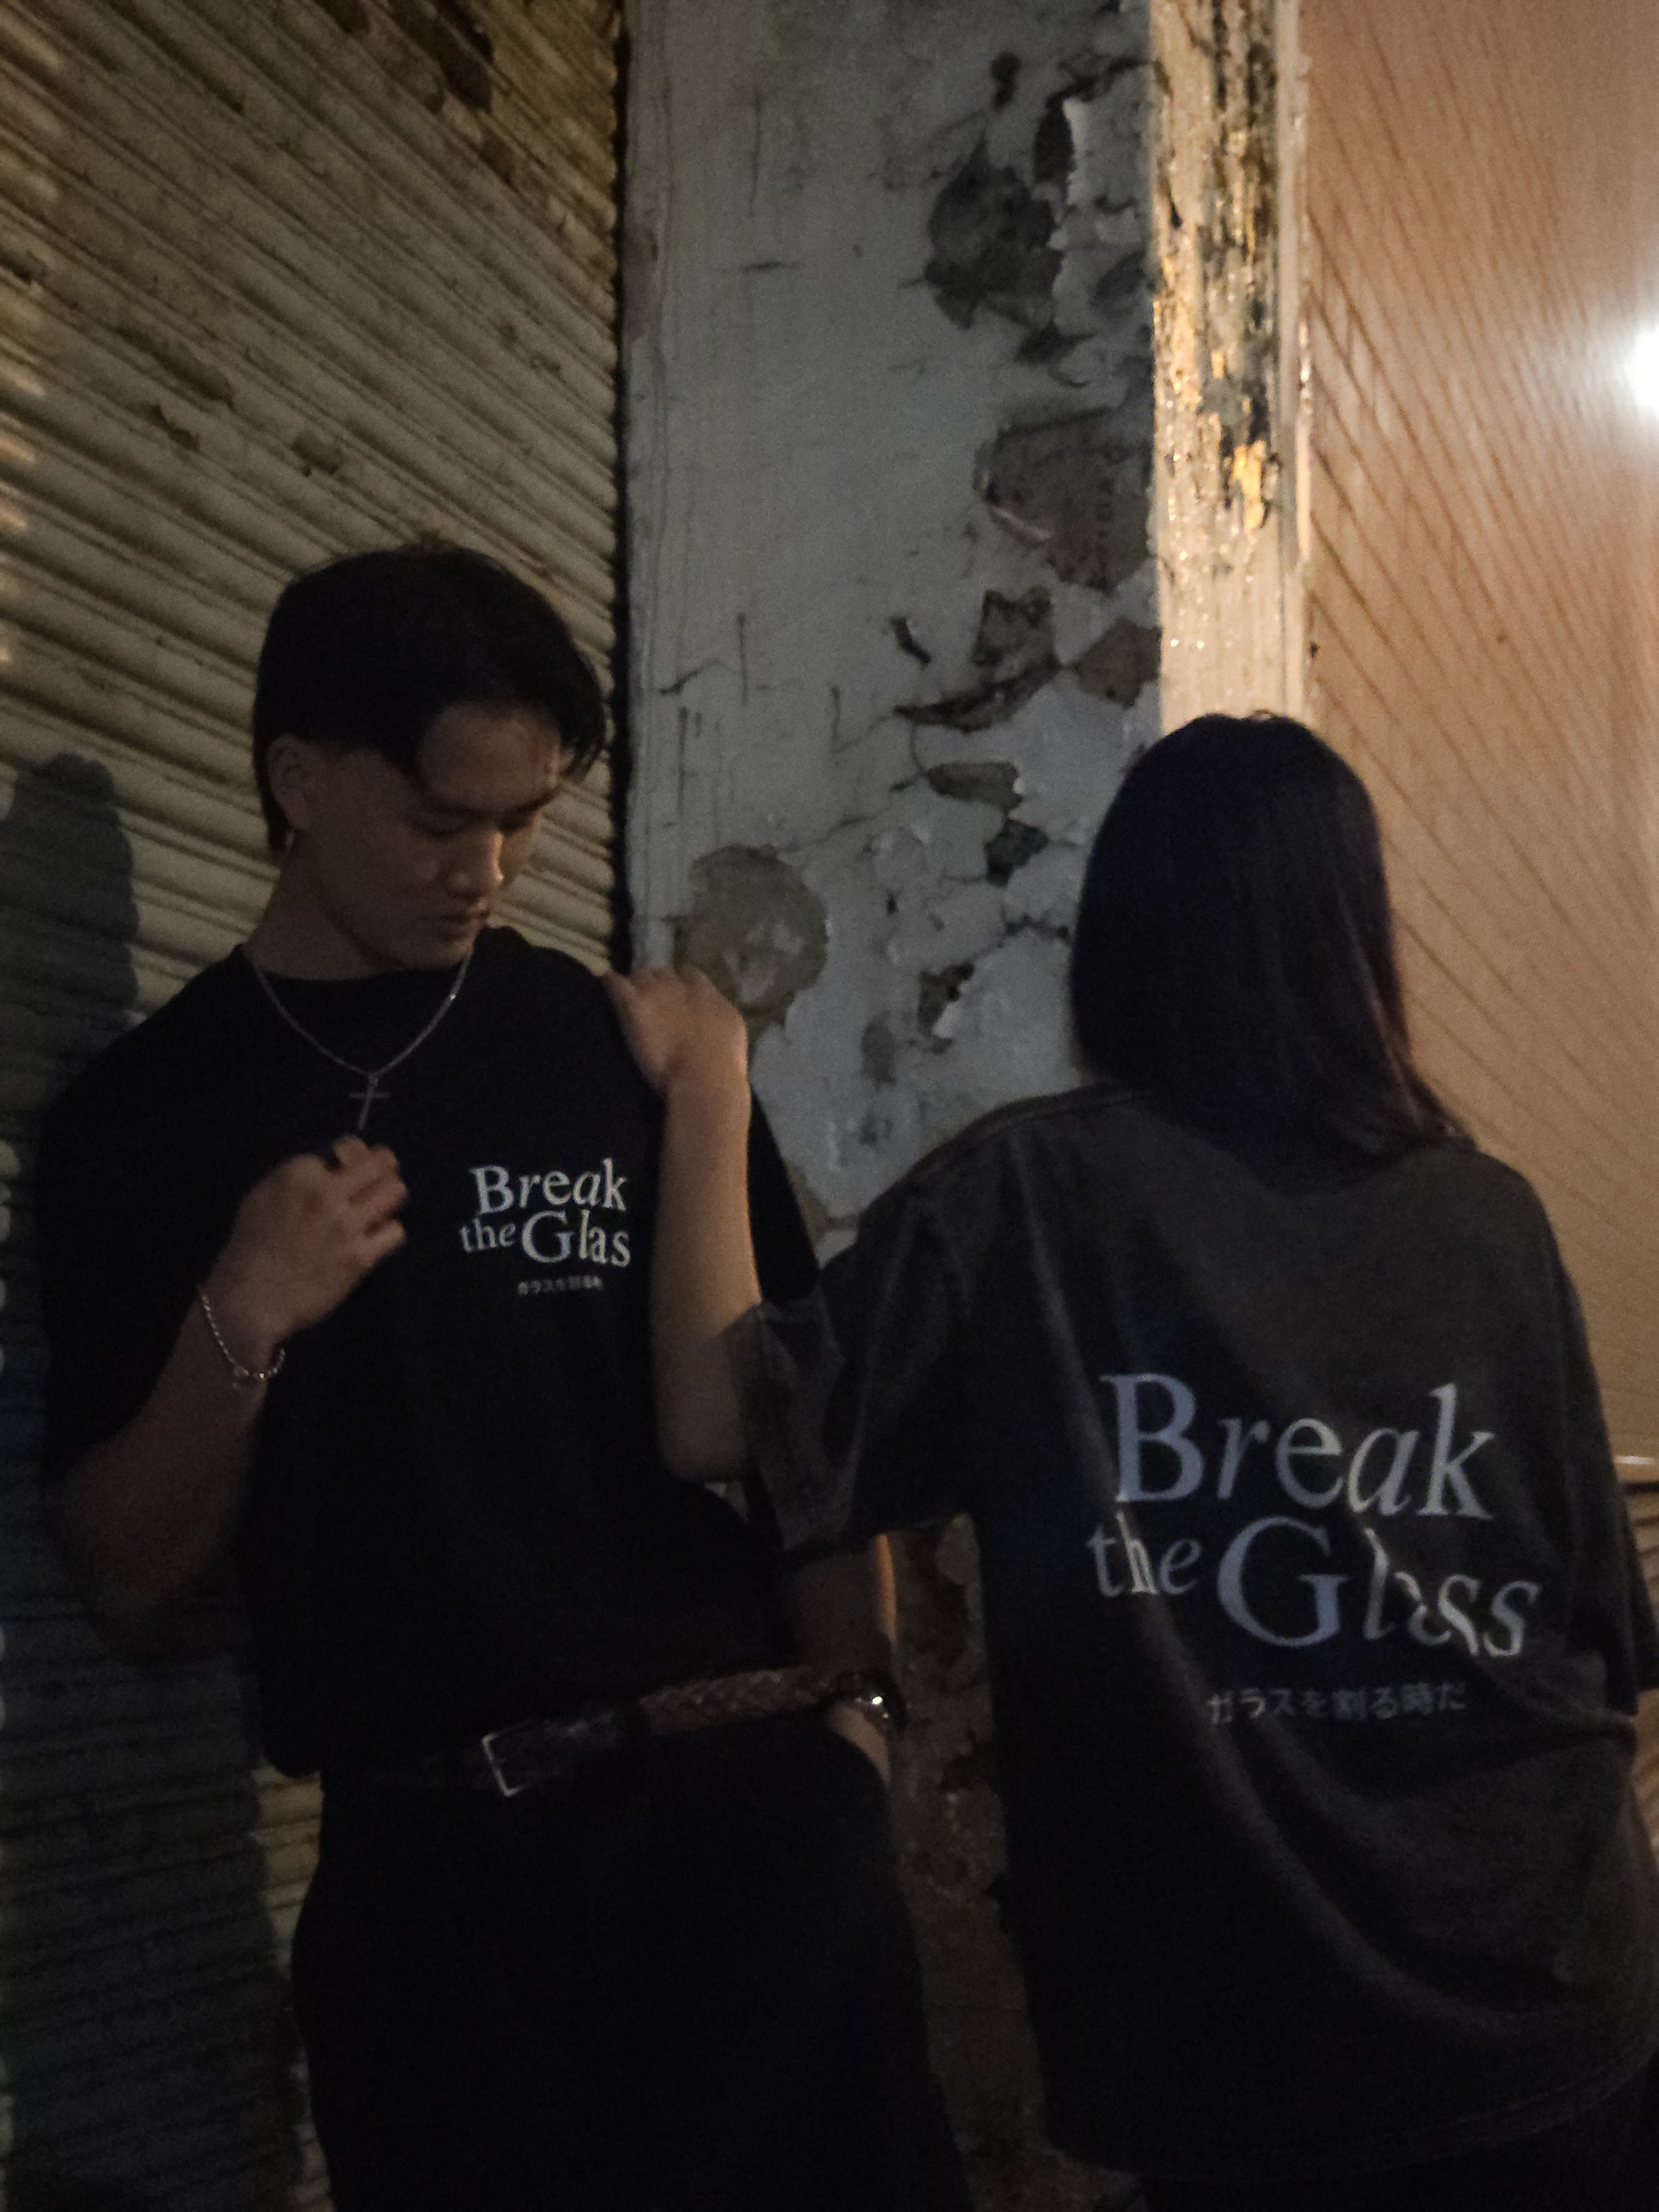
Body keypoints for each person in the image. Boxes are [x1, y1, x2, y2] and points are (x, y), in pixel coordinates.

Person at [35, 543, 968, 2212]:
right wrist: (239, 1314)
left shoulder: (620, 1048)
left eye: (524, 817)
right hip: (433, 1886)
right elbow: (129, 1580)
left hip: (749, 1819)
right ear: (294, 780)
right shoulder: (147, 1123)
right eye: (440, 818)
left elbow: (799, 1436)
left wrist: (864, 1724)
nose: (487, 869)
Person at [620, 715, 1659, 2211]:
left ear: (1119, 932)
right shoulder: (1482, 1212)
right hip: (1548, 1992)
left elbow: (710, 1424)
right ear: (1354, 938)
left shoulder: (1026, 1198)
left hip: (1235, 2038)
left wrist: (708, 1089)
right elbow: (1594, 1630)